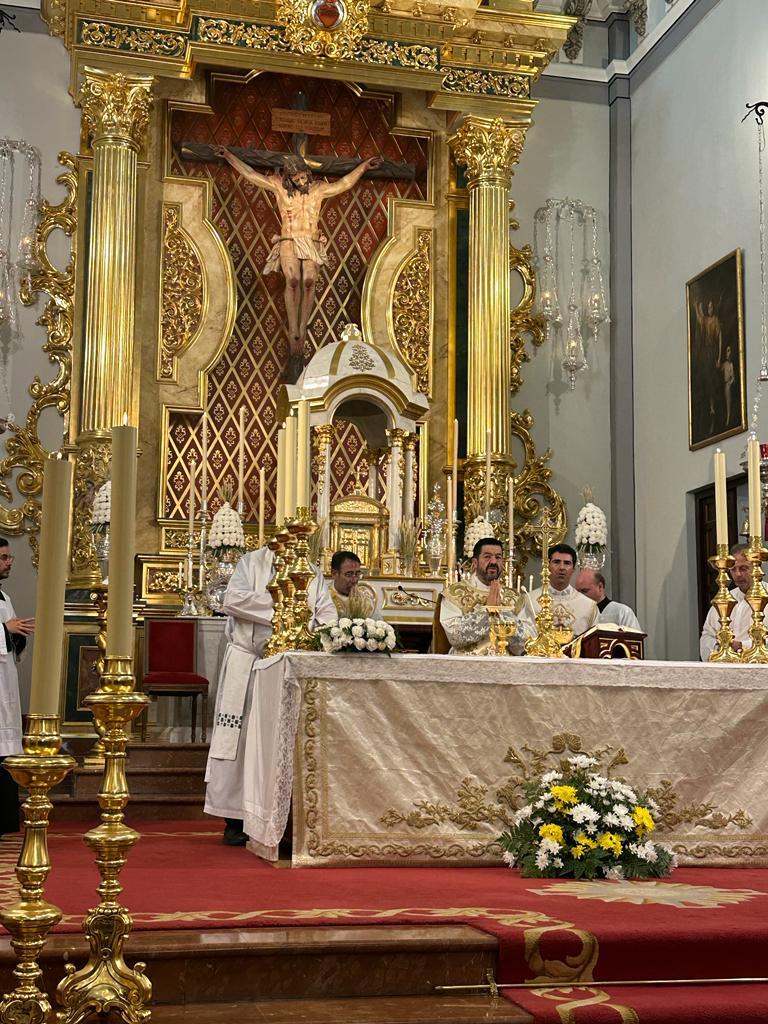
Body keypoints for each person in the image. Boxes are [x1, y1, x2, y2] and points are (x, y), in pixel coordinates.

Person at [215, 146, 382, 383]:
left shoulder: (318, 190)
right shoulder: (279, 188)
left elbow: (344, 184)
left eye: (304, 175)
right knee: (293, 281)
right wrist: (230, 157)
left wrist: (363, 167)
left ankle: (302, 328)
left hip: (311, 241)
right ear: (289, 178)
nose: (302, 179)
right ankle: (294, 329)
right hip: (289, 240)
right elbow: (252, 175)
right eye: (297, 177)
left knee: (309, 281)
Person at [206, 545, 336, 846]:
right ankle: (235, 818)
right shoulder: (252, 562)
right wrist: (285, 604)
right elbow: (233, 599)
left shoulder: (311, 570)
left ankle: (283, 818)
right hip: (248, 662)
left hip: (292, 665)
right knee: (240, 742)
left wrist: (313, 623)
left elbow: (326, 612)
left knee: (281, 739)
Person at [440, 537, 535, 655]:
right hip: (467, 666)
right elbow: (455, 636)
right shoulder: (455, 593)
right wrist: (487, 613)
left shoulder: (515, 598)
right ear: (475, 562)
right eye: (487, 557)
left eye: (498, 557)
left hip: (507, 666)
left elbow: (528, 641)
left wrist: (501, 613)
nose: (494, 562)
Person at [0, 540, 34, 838]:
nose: (9, 562)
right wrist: (4, 630)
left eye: (9, 557)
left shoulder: (4, 596)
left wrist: (17, 635)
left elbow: (10, 638)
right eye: (4, 557)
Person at [699, 543, 763, 660]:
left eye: (743, 568)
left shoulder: (765, 595)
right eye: (733, 569)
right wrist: (720, 647)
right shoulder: (725, 599)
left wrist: (743, 646)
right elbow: (707, 636)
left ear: (756, 566)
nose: (738, 574)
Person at [530, 543, 598, 638]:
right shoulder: (529, 601)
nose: (562, 567)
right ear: (547, 566)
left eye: (567, 563)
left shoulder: (588, 606)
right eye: (556, 562)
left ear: (573, 569)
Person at [574, 568, 642, 631]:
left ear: (600, 587)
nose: (580, 596)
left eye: (584, 591)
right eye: (577, 592)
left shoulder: (622, 612)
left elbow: (634, 641)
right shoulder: (576, 614)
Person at [329, 550, 377, 619]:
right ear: (334, 573)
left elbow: (377, 625)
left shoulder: (365, 600)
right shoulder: (323, 598)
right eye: (349, 574)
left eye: (357, 574)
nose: (354, 580)